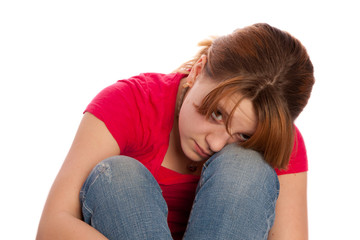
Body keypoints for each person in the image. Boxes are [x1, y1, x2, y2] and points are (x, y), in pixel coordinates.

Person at [37, 23, 314, 239]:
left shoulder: (276, 140)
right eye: (217, 113)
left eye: (243, 136)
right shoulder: (128, 103)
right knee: (119, 176)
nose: (216, 144)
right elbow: (52, 229)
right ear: (197, 71)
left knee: (246, 165)